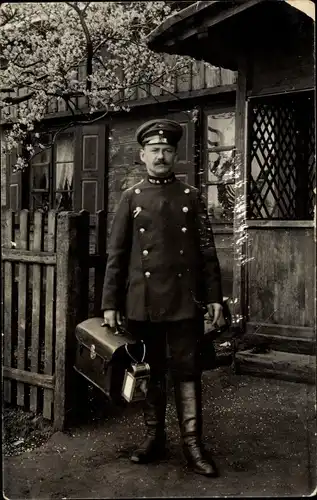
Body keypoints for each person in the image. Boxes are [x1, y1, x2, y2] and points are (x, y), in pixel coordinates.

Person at [101, 118, 224, 477]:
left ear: (174, 155)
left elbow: (206, 250)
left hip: (185, 300)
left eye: (167, 150)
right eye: (154, 150)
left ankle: (193, 445)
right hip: (144, 302)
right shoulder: (131, 197)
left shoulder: (191, 196)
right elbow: (117, 255)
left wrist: (214, 297)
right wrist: (111, 303)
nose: (161, 156)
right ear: (142, 155)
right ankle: (153, 439)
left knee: (187, 371)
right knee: (150, 370)